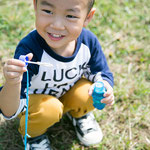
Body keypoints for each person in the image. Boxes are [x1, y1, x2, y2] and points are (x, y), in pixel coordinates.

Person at [0, 0, 114, 149]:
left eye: (70, 16)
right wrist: (12, 82)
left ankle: (79, 114)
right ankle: (33, 135)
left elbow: (101, 73)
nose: (57, 25)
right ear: (36, 6)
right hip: (37, 107)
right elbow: (9, 111)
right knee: (50, 108)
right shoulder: (30, 49)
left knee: (89, 90)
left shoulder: (88, 42)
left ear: (87, 17)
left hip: (66, 94)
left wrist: (104, 88)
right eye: (48, 11)